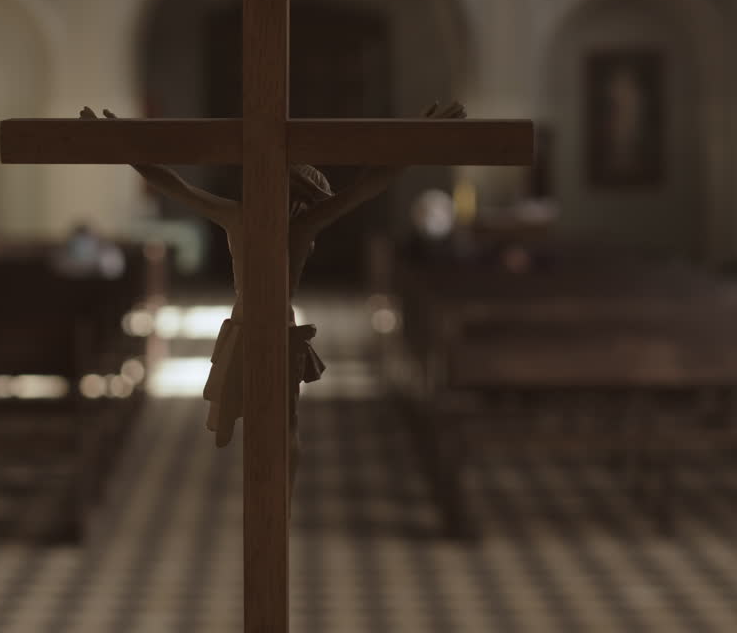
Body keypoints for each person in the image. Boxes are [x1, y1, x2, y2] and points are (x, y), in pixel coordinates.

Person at [82, 100, 468, 496]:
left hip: (255, 324)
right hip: (269, 326)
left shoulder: (250, 218)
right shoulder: (297, 224)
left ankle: (272, 504)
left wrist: (122, 147)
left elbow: (172, 184)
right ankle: (272, 502)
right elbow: (370, 185)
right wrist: (419, 140)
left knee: (280, 427)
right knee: (280, 427)